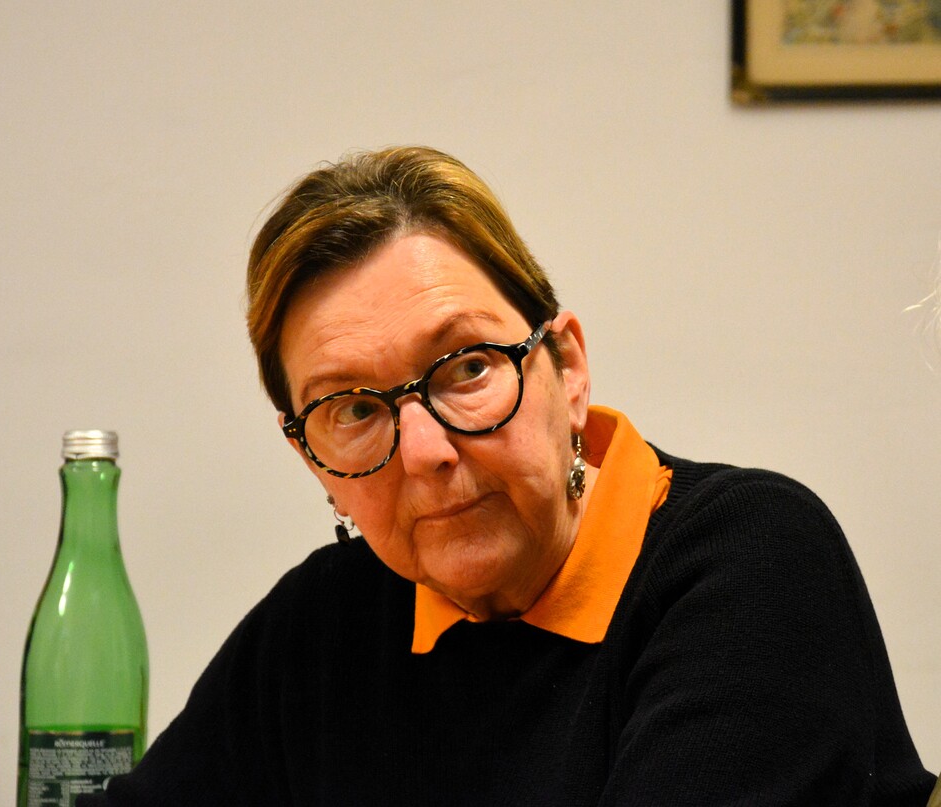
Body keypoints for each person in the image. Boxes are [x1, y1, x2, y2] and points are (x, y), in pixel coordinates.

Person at [80, 146, 937, 806]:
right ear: (311, 458)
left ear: (568, 368)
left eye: (466, 367)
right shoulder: (321, 626)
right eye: (354, 408)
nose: (425, 450)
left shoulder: (750, 561)